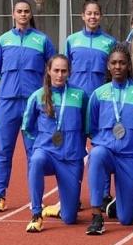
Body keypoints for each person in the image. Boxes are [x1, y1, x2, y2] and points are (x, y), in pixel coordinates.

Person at [0, 0, 56, 212]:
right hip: (7, 103)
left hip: (33, 104)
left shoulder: (42, 40)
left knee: (34, 153)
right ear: (13, 14)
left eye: (26, 11)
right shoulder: (3, 41)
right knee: (4, 152)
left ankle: (35, 200)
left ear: (30, 14)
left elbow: (52, 67)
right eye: (19, 11)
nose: (23, 14)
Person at [85, 45, 133, 235]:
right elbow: (91, 127)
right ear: (108, 66)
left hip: (130, 156)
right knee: (95, 154)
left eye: (122, 62)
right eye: (114, 63)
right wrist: (104, 141)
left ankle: (116, 205)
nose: (118, 66)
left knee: (127, 219)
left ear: (129, 65)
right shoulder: (98, 94)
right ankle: (96, 215)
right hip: (107, 151)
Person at [22, 55, 88, 232]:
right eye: (56, 70)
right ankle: (36, 213)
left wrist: (78, 147)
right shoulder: (38, 96)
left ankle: (57, 209)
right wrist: (37, 147)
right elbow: (27, 127)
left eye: (63, 71)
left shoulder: (80, 95)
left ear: (69, 72)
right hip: (47, 153)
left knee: (70, 218)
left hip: (71, 158)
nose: (59, 75)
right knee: (35, 161)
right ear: (49, 71)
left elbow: (86, 126)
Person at [66, 0, 117, 97]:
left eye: (96, 13)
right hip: (75, 95)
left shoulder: (110, 42)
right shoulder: (71, 40)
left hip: (101, 95)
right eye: (89, 13)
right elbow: (65, 68)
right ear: (83, 16)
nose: (92, 17)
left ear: (101, 16)